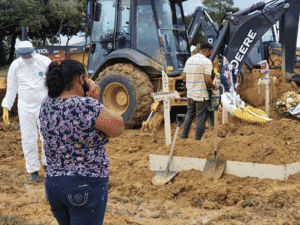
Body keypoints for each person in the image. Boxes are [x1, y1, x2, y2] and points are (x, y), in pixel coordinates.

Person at [40, 60, 124, 225]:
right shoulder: (86, 106)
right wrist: (95, 100)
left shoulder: (47, 103)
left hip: (53, 184)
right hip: (85, 183)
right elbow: (118, 127)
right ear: (80, 80)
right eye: (87, 77)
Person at [1, 40, 52, 182]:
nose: (26, 58)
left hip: (44, 105)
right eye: (23, 56)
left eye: (28, 55)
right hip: (24, 106)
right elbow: (11, 89)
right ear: (19, 55)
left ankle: (48, 166)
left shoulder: (44, 61)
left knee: (46, 137)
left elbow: (53, 84)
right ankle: (33, 170)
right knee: (28, 139)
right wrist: (6, 106)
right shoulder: (15, 66)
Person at [180, 43, 218, 140]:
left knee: (189, 114)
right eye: (211, 51)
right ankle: (198, 139)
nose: (211, 53)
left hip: (190, 93)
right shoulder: (207, 62)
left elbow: (183, 77)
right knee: (201, 117)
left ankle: (183, 136)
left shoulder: (190, 59)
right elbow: (208, 80)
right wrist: (214, 87)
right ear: (208, 51)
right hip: (201, 94)